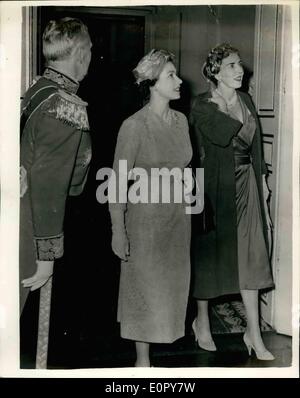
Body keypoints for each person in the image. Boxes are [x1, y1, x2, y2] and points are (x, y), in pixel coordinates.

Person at [190, 43, 275, 360]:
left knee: (252, 255)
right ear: (215, 72)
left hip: (247, 184)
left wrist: (263, 181)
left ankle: (253, 331)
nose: (240, 71)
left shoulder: (247, 100)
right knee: (210, 256)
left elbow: (256, 148)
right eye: (231, 66)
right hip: (214, 188)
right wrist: (226, 105)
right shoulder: (202, 105)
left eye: (240, 65)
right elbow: (223, 135)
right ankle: (202, 321)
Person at [109, 49, 193, 367]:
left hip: (176, 220)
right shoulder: (134, 126)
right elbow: (117, 182)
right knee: (143, 291)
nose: (179, 79)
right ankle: (142, 362)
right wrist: (118, 230)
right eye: (171, 74)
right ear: (152, 84)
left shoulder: (181, 121)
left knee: (171, 289)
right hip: (144, 222)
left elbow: (185, 166)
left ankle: (161, 349)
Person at [20, 17, 92, 313]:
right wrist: (46, 257)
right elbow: (49, 185)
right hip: (29, 222)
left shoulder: (38, 89)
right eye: (89, 49)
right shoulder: (64, 107)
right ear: (80, 54)